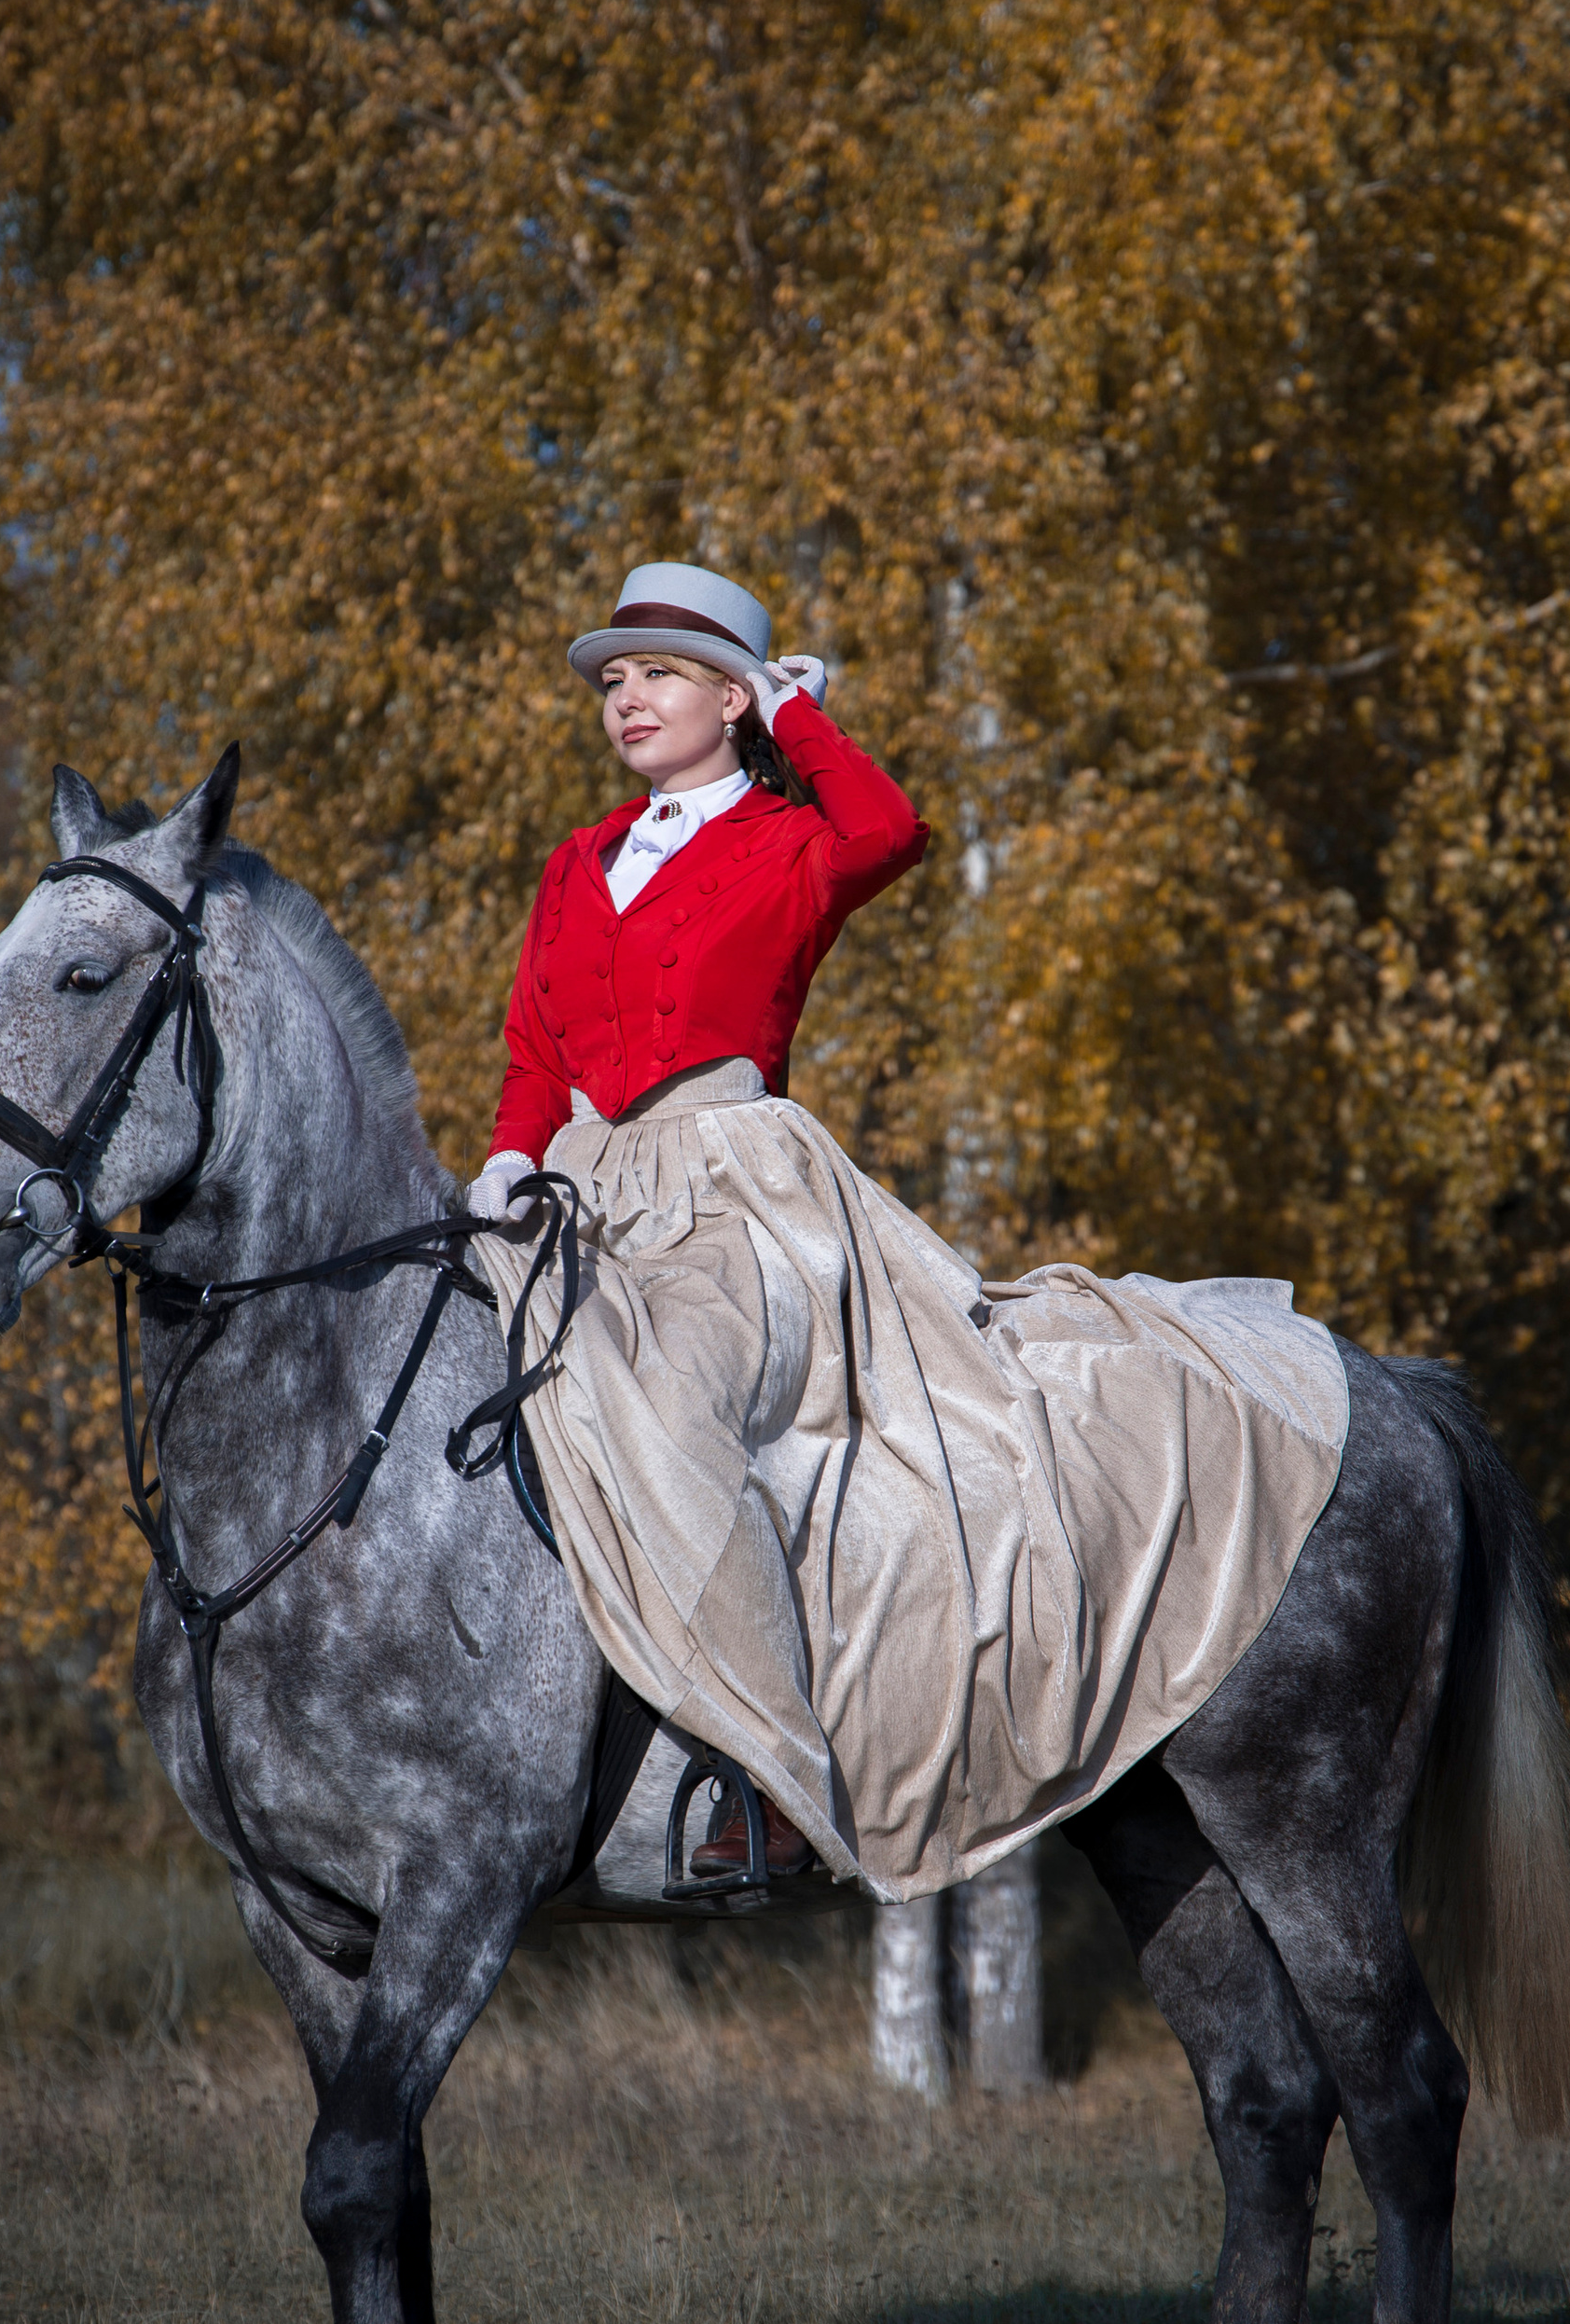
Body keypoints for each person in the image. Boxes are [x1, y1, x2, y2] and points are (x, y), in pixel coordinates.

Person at [466, 560, 1350, 1902]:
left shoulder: (792, 840)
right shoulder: (574, 862)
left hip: (735, 1193)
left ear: (731, 697)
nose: (626, 697)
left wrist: (798, 716)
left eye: (660, 674)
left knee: (677, 1396)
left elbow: (890, 830)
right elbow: (537, 1047)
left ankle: (765, 1774)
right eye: (614, 679)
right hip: (578, 1185)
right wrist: (506, 1153)